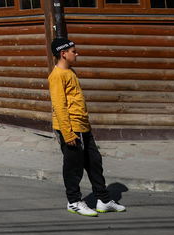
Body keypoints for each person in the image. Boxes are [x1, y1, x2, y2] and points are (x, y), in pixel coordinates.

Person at [49, 37, 126, 217]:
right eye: (74, 51)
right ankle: (74, 201)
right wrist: (68, 134)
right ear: (63, 53)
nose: (77, 54)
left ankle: (103, 200)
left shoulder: (70, 71)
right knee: (73, 166)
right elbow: (59, 106)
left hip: (82, 126)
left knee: (94, 162)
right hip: (70, 128)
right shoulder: (57, 76)